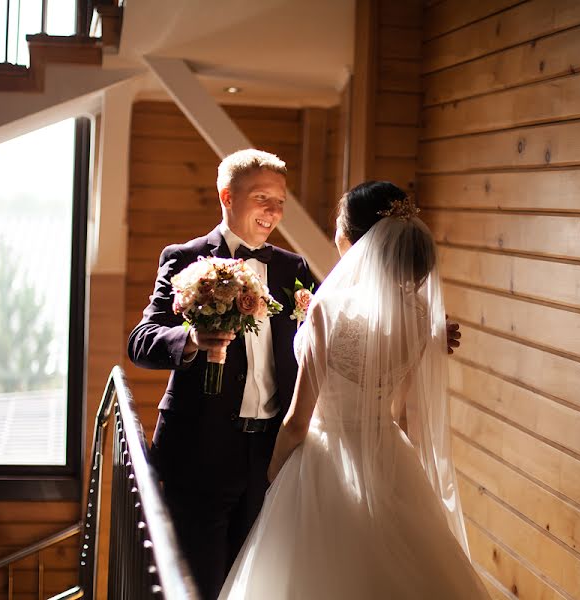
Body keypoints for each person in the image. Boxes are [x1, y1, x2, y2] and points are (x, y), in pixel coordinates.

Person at [219, 181, 488, 599]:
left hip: (324, 458)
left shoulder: (330, 307)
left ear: (359, 236)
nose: (335, 233)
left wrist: (274, 476)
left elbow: (297, 419)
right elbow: (400, 410)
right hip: (389, 454)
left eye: (340, 223)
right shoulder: (421, 315)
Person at [127, 149, 315, 599]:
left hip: (271, 454)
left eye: (280, 201)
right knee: (200, 583)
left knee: (255, 583)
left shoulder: (294, 269)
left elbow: (340, 324)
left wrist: (418, 330)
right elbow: (141, 340)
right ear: (228, 197)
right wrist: (191, 339)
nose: (273, 211)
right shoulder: (185, 259)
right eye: (261, 198)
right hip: (200, 450)